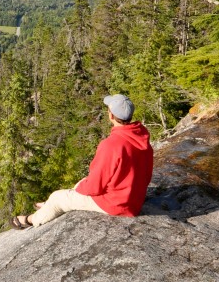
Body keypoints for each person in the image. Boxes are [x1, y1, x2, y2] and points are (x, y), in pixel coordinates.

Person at [12, 94, 153, 229]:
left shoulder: (112, 145)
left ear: (110, 115)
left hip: (115, 204)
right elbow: (146, 177)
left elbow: (94, 187)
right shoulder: (141, 139)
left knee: (58, 198)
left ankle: (31, 219)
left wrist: (73, 193)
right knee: (80, 183)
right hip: (133, 201)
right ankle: (49, 205)